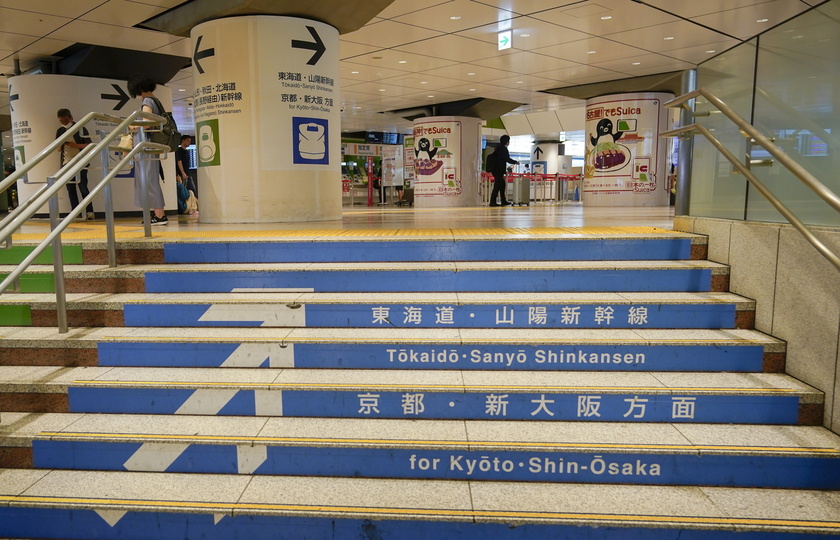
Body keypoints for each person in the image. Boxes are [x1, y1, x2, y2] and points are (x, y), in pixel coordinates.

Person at [127, 74, 167, 225]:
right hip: (150, 146)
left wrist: (132, 126)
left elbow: (147, 123)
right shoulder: (155, 100)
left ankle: (159, 215)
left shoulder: (148, 101)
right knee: (150, 180)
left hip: (147, 146)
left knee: (149, 181)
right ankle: (158, 214)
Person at [55, 109, 95, 220]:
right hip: (66, 163)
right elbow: (57, 149)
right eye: (61, 121)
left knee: (83, 187)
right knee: (70, 189)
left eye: (66, 120)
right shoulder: (60, 131)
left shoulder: (81, 128)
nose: (64, 122)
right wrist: (61, 144)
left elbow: (89, 145)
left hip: (81, 162)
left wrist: (74, 145)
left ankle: (89, 212)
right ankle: (75, 212)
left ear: (71, 118)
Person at [488, 134, 518, 207]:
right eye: (508, 141)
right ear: (506, 141)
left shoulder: (498, 148)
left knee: (502, 184)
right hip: (498, 170)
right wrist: (515, 162)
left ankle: (503, 200)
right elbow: (506, 159)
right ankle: (492, 202)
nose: (509, 142)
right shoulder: (503, 149)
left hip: (496, 170)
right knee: (497, 185)